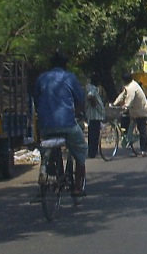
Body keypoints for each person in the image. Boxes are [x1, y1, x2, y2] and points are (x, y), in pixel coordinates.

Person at [34, 51, 87, 195]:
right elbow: (80, 100)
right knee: (81, 151)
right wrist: (78, 113)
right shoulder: (69, 77)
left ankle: (46, 171)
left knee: (46, 147)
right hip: (67, 124)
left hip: (45, 126)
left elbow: (36, 99)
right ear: (65, 65)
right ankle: (77, 188)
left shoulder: (41, 78)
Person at [113, 73, 147, 156]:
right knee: (125, 122)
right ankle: (128, 141)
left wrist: (125, 106)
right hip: (133, 110)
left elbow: (130, 98)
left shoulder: (132, 87)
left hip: (141, 111)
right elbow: (122, 95)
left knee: (142, 130)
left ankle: (143, 150)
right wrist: (115, 103)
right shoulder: (128, 86)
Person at [85, 75, 106, 159]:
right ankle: (92, 152)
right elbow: (90, 96)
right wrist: (95, 105)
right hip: (94, 115)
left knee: (93, 135)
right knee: (94, 135)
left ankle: (93, 152)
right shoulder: (92, 88)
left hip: (95, 116)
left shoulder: (92, 88)